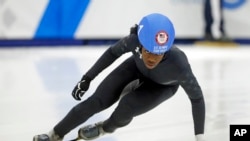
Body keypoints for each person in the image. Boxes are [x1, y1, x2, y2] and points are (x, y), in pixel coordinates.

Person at [33, 13, 206, 141]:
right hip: (135, 68)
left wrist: (199, 136)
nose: (152, 58)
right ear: (140, 43)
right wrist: (87, 78)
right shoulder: (133, 40)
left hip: (162, 86)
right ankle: (54, 135)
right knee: (95, 102)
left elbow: (197, 99)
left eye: (159, 54)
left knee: (127, 106)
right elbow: (112, 53)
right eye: (148, 51)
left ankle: (105, 128)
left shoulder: (179, 65)